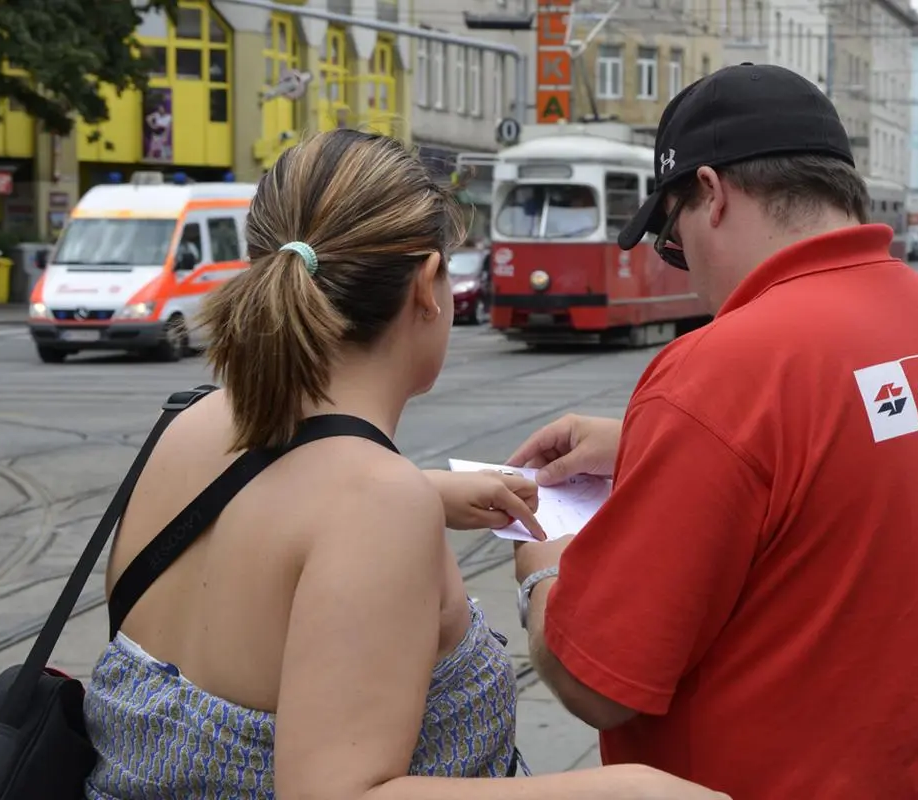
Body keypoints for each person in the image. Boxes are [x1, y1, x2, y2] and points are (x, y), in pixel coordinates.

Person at [83, 129, 726, 800]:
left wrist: (428, 491)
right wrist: (622, 790)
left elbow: (265, 516)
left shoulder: (189, 421)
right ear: (427, 285)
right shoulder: (375, 505)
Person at [507, 64, 918, 799]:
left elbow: (596, 682)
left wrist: (542, 569)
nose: (686, 271)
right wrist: (655, 446)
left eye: (673, 238)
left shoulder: (724, 369)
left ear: (713, 194)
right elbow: (870, 469)